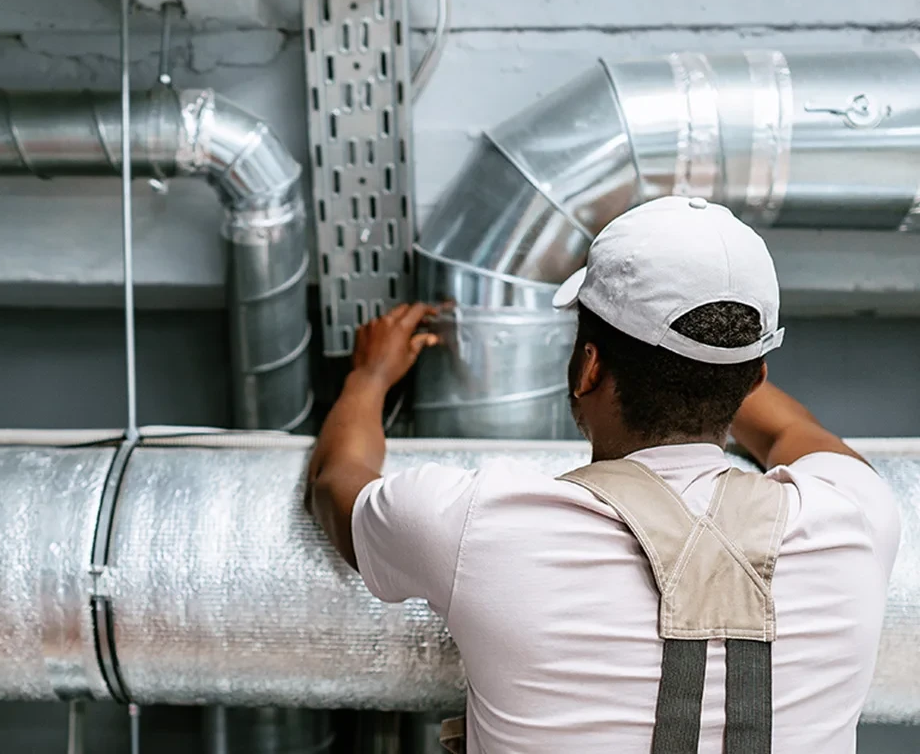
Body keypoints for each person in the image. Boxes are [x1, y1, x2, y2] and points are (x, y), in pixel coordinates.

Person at [306, 196, 901, 753]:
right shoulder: (855, 515)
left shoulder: (480, 522)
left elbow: (337, 484)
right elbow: (791, 434)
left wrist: (369, 376)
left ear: (588, 367)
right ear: (756, 380)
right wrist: (710, 374)